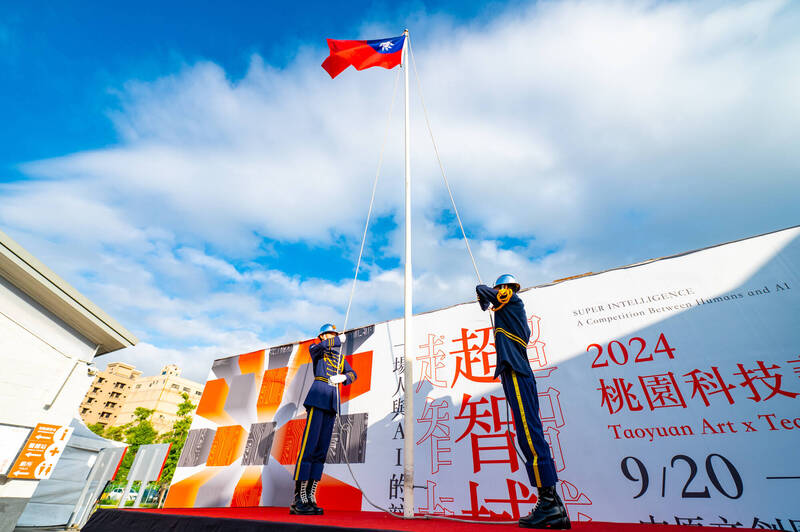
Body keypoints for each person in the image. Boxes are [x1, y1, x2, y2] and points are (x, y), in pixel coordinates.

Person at [476, 275, 570, 529]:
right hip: (514, 373)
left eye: (500, 290)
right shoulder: (506, 310)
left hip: (517, 373)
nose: (498, 293)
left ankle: (549, 503)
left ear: (505, 289)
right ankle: (552, 505)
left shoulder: (512, 300)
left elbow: (482, 290)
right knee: (528, 434)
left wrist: (487, 296)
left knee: (529, 435)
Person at [290, 323, 357, 516]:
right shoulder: (317, 350)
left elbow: (353, 374)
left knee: (320, 450)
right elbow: (319, 347)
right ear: (321, 336)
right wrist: (336, 340)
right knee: (308, 448)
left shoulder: (339, 357)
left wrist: (343, 378)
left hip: (331, 402)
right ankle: (299, 497)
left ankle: (310, 496)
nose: (332, 337)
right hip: (318, 397)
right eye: (328, 335)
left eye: (334, 335)